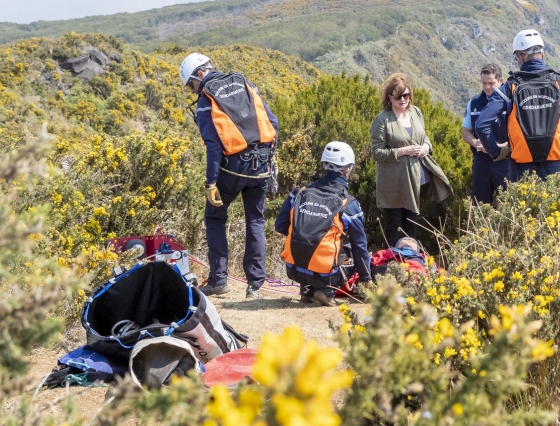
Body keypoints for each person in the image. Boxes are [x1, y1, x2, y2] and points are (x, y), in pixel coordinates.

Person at [180, 53, 280, 300]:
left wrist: (210, 182)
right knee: (255, 221)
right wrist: (270, 160)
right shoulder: (244, 83)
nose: (193, 91)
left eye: (191, 85)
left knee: (214, 217)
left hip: (232, 169)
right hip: (261, 165)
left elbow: (213, 146)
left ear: (199, 75)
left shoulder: (206, 99)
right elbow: (273, 124)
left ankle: (218, 280)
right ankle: (255, 286)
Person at [476, 29, 560, 180]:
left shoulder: (508, 89)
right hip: (555, 168)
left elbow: (481, 124)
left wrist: (496, 152)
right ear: (542, 54)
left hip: (521, 171)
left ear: (520, 57)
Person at [275, 141, 371, 307]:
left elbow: (280, 226)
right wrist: (366, 280)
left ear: (324, 164)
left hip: (292, 269)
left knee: (321, 245)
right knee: (351, 252)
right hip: (326, 274)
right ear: (347, 169)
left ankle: (307, 290)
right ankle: (327, 291)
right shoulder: (348, 204)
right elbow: (360, 247)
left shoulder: (298, 193)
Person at [370, 73, 453, 246]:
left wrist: (426, 147)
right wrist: (402, 151)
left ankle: (411, 264)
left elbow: (424, 137)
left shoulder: (416, 112)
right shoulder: (382, 120)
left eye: (406, 95)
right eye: (398, 96)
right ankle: (391, 262)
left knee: (411, 224)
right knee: (393, 225)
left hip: (415, 178)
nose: (403, 99)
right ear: (389, 97)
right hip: (393, 181)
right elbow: (376, 152)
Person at [461, 63, 515, 204]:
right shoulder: (474, 103)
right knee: (480, 205)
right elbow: (466, 131)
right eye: (484, 83)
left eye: (491, 83)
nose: (486, 87)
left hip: (505, 162)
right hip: (481, 163)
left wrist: (501, 146)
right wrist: (475, 142)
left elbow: (519, 134)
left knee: (508, 204)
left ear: (501, 81)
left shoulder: (511, 103)